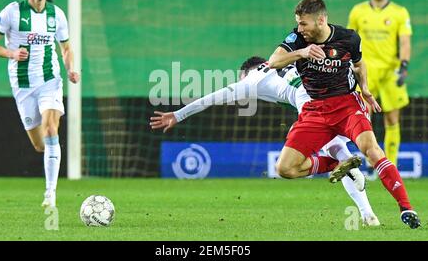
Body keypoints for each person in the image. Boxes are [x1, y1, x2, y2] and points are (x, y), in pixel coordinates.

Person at [150, 56, 380, 226]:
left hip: (313, 102)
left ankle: (347, 169)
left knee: (313, 139)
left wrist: (178, 115)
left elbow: (213, 97)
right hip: (343, 95)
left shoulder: (251, 79)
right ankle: (366, 212)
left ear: (245, 73)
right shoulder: (282, 60)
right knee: (328, 140)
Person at [267, 0, 420, 228]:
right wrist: (302, 52)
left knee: (372, 149)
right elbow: (273, 61)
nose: (300, 28)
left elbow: (359, 64)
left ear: (321, 20)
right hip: (315, 110)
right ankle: (335, 163)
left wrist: (365, 88)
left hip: (347, 106)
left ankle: (406, 208)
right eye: (298, 23)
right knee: (285, 169)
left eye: (304, 23)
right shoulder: (297, 39)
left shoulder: (348, 38)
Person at [0, 0, 80, 208]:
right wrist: (11, 53)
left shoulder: (56, 14)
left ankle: (50, 194)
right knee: (40, 144)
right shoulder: (12, 12)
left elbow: (66, 48)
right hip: (23, 85)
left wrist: (71, 69)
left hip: (50, 80)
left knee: (50, 129)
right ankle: (50, 176)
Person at [348, 0, 412, 168]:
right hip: (365, 71)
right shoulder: (358, 11)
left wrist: (404, 65)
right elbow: (350, 40)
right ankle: (372, 161)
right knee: (362, 116)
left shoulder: (400, 12)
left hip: (390, 71)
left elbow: (405, 41)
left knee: (392, 117)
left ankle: (390, 165)